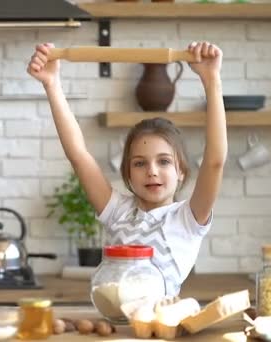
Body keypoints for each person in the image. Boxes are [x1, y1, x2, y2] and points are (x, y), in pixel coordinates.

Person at [28, 41, 226, 296]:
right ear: (128, 175)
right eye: (139, 163)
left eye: (164, 161)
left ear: (182, 172)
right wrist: (52, 84)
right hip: (114, 324)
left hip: (158, 329)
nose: (152, 171)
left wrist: (211, 79)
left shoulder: (187, 219)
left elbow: (215, 161)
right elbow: (78, 155)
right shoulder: (118, 211)